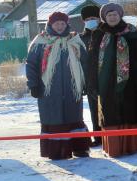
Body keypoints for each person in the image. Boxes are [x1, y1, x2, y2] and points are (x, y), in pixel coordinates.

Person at [26, 11, 91, 160]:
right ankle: (56, 151)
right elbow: (31, 64)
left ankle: (79, 148)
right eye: (57, 23)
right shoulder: (41, 41)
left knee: (74, 116)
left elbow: (84, 62)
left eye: (62, 23)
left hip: (72, 88)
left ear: (67, 24)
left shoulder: (74, 39)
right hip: (48, 89)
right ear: (50, 24)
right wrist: (33, 84)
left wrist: (85, 82)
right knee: (53, 118)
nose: (60, 26)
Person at [86, 2, 137, 158]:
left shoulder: (132, 33)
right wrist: (92, 82)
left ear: (120, 16)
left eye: (114, 14)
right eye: (109, 15)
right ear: (104, 18)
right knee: (110, 113)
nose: (112, 17)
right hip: (106, 82)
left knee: (129, 110)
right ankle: (114, 147)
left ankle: (131, 146)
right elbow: (92, 60)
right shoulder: (98, 34)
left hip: (130, 81)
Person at [79, 4, 104, 146]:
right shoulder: (81, 38)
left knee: (107, 109)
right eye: (87, 18)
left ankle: (109, 136)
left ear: (99, 18)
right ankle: (98, 136)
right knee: (94, 109)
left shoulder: (105, 34)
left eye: (93, 18)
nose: (90, 21)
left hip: (105, 77)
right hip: (89, 80)